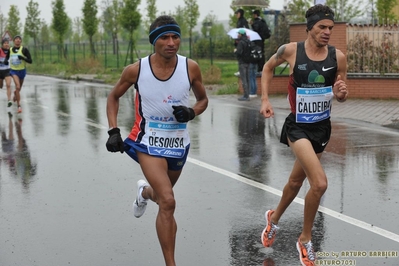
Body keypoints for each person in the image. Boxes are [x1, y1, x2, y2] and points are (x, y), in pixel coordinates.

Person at [105, 15, 208, 266]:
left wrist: (192, 111)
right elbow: (113, 97)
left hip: (177, 144)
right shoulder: (136, 70)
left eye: (175, 36)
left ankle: (143, 192)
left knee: (162, 198)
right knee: (169, 201)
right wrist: (113, 131)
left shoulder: (190, 67)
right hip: (147, 141)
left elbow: (203, 99)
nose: (171, 42)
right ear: (154, 41)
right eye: (164, 37)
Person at [259, 5, 348, 266]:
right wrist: (265, 99)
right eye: (322, 27)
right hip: (297, 127)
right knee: (319, 184)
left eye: (330, 28)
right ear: (309, 27)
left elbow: (342, 93)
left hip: (322, 128)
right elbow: (267, 68)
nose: (327, 32)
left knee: (296, 183)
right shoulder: (290, 51)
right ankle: (305, 239)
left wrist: (341, 94)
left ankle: (273, 220)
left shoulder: (338, 57)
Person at [9, 35, 33, 113]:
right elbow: (5, 58)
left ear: (21, 41)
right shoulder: (10, 50)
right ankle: (19, 106)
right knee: (18, 86)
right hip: (13, 71)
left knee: (19, 89)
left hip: (22, 71)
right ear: (14, 41)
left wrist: (22, 58)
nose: (18, 40)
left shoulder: (24, 50)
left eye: (19, 39)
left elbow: (30, 61)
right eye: (16, 39)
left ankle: (16, 94)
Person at [234, 29, 251, 101]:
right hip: (248, 62)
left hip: (242, 63)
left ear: (241, 34)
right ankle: (248, 94)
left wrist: (235, 51)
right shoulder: (248, 41)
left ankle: (246, 96)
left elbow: (239, 52)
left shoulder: (241, 42)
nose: (238, 35)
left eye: (239, 34)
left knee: (244, 79)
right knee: (247, 79)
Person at [0, 38, 12, 108]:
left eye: (7, 43)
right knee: (0, 86)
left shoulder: (10, 50)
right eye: (5, 43)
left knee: (8, 85)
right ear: (2, 44)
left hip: (7, 70)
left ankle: (9, 100)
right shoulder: (0, 50)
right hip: (0, 71)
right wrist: (2, 62)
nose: (6, 44)